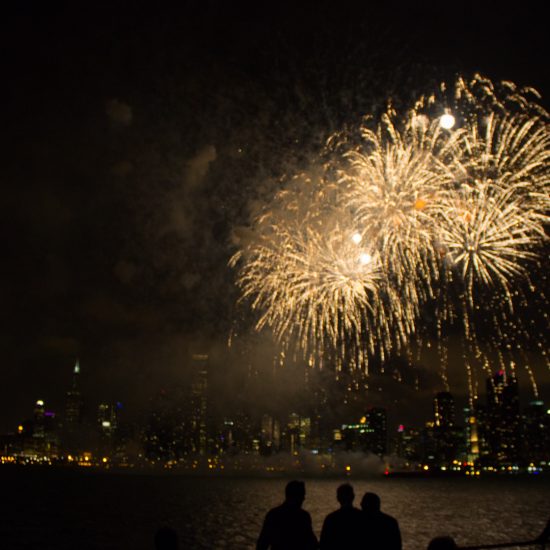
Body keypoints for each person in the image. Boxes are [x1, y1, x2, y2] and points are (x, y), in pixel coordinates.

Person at [256, 480, 318, 550]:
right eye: (302, 495)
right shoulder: (303, 516)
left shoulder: (273, 514)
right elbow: (311, 542)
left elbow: (263, 542)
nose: (304, 498)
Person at [320, 483, 363, 549]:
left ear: (338, 498)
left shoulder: (331, 519)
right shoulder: (362, 516)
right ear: (353, 497)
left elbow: (324, 543)